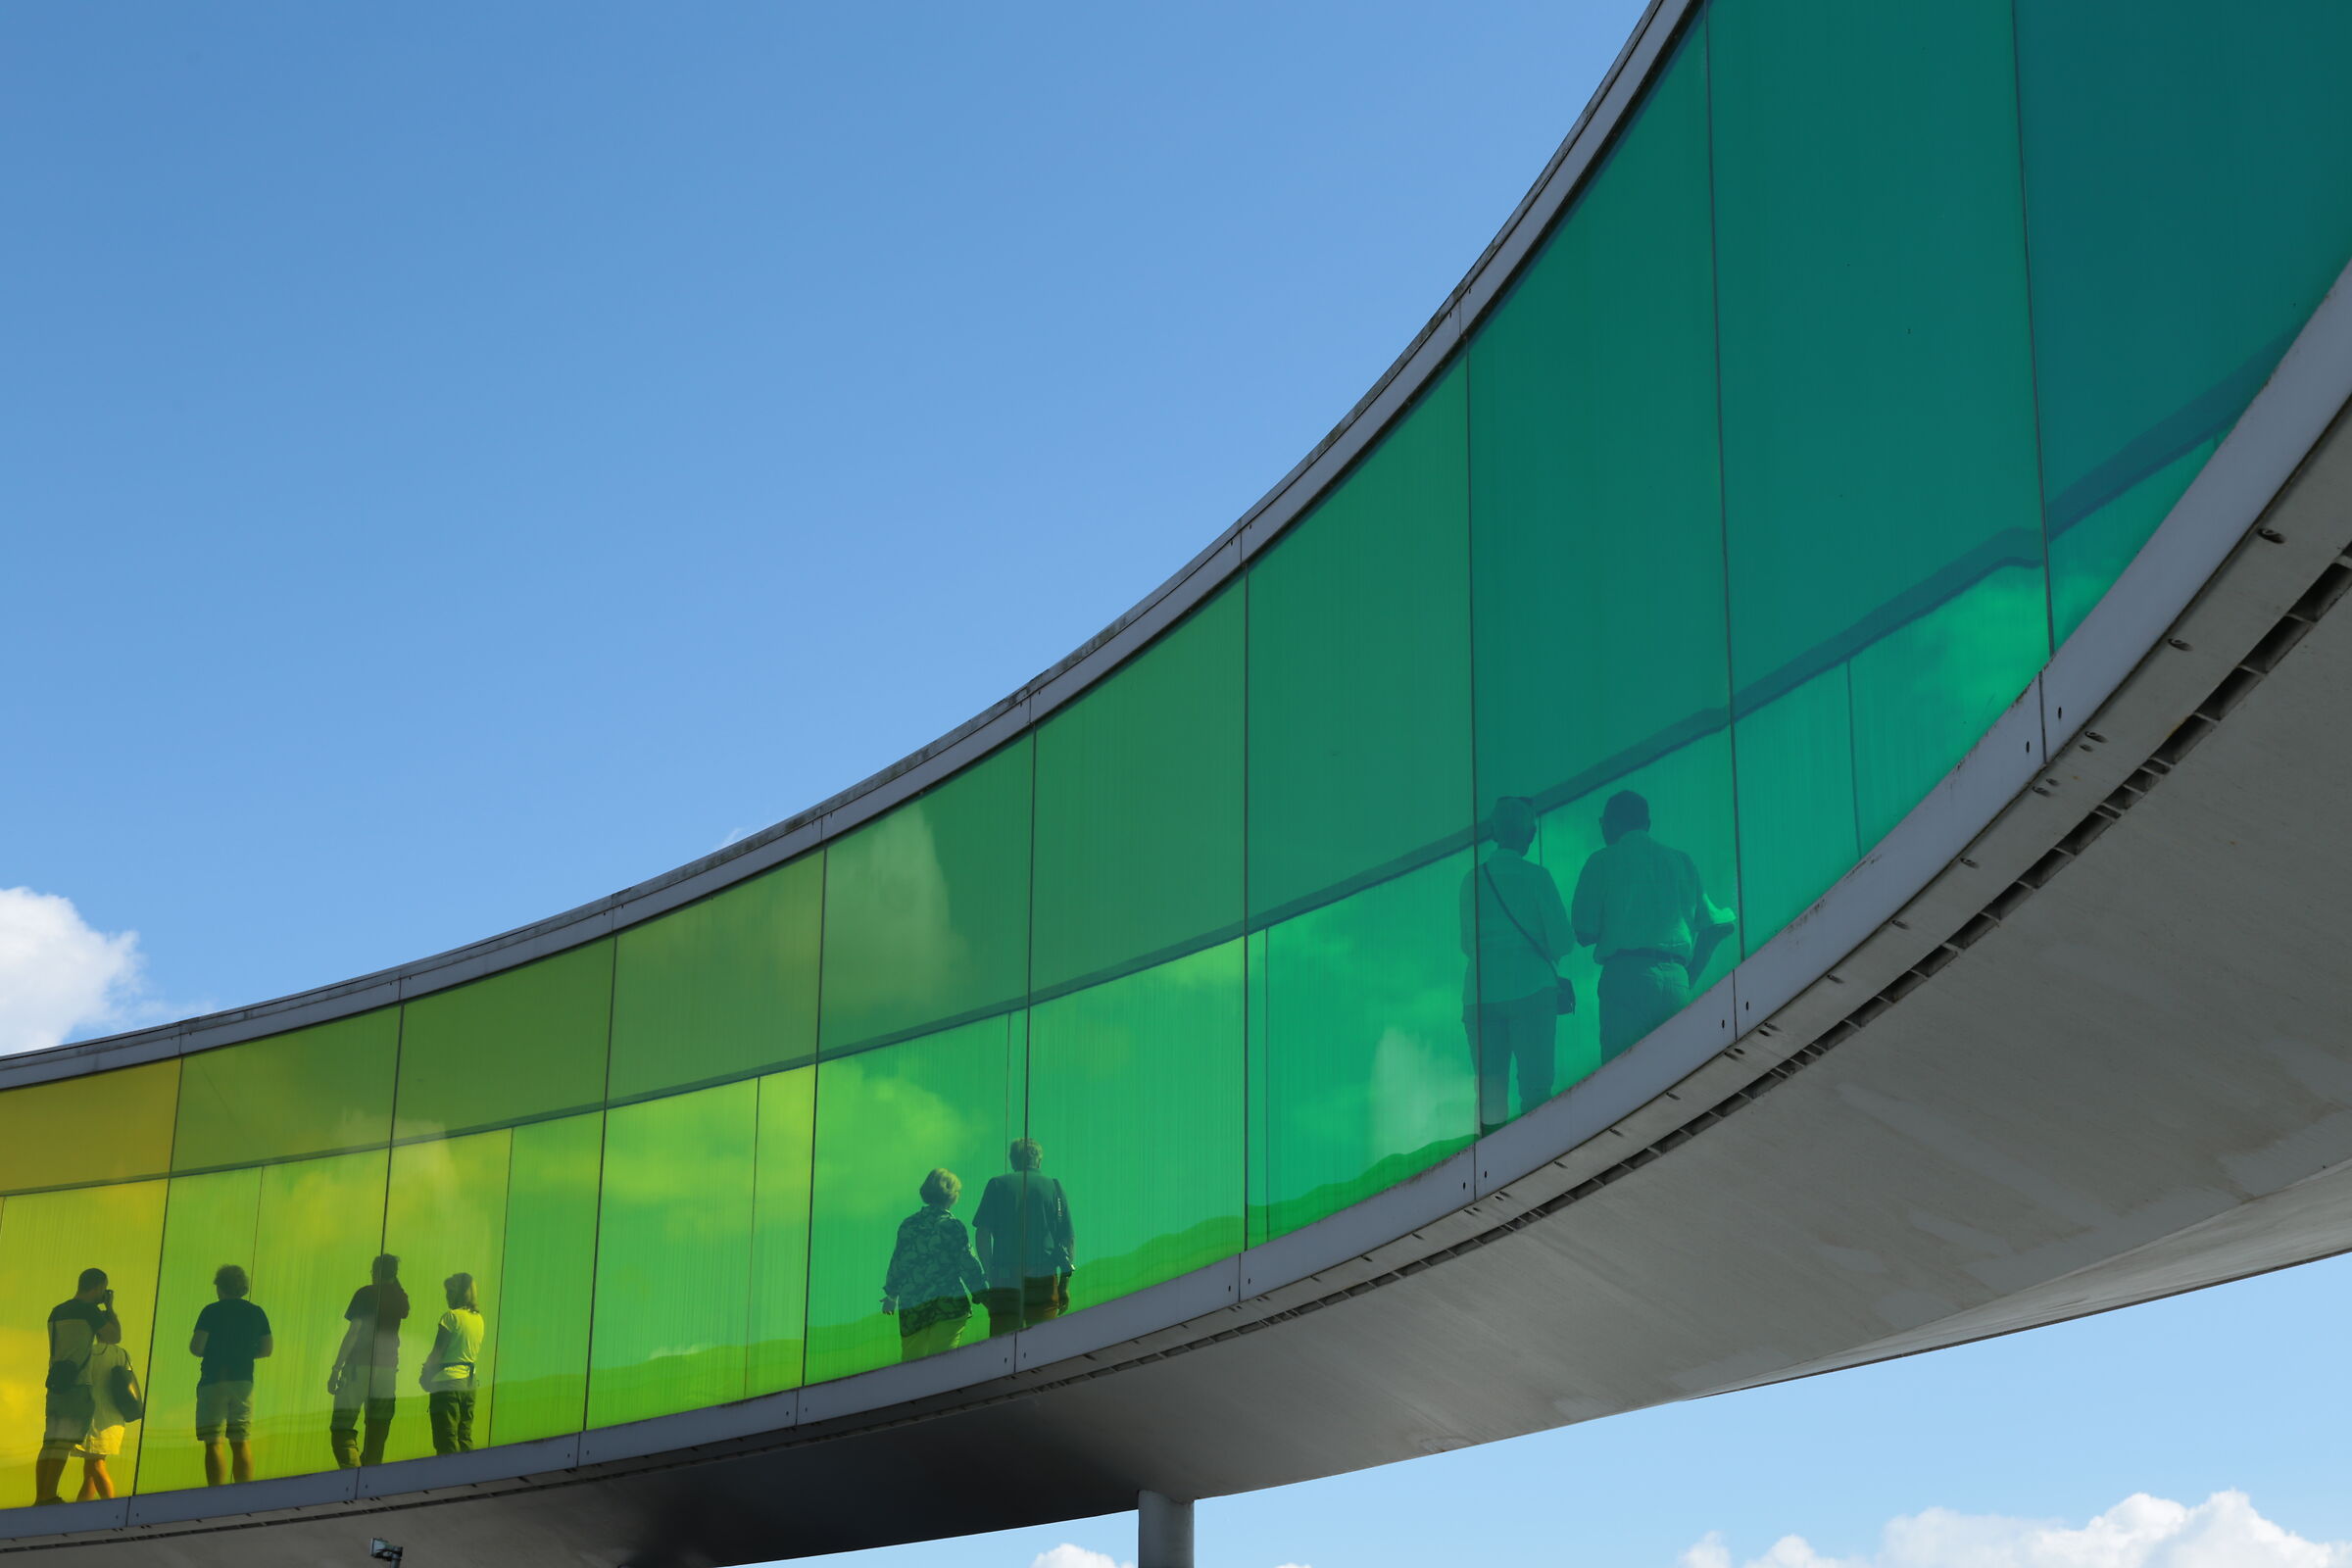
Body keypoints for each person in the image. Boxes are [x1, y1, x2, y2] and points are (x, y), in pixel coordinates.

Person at [1571, 790, 1737, 1059]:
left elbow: (1583, 932)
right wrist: (1687, 977)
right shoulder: (1681, 861)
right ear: (1647, 824)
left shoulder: (1602, 860)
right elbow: (1717, 926)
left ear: (1609, 823)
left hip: (1626, 976)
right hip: (1676, 979)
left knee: (1623, 1073)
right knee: (1677, 1072)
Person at [1460, 796, 1574, 1133]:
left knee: (1490, 1095)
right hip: (1532, 989)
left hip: (1481, 993)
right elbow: (1563, 941)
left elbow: (1467, 944)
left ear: (1494, 832)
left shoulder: (1472, 880)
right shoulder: (1537, 877)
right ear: (1530, 835)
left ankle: (1492, 1157)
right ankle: (1537, 1150)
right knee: (1536, 1090)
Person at [880, 1168, 987, 1362]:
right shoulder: (952, 1226)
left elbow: (899, 1262)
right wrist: (980, 1291)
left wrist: (891, 1295)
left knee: (912, 1366)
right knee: (942, 1364)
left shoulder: (908, 1225)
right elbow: (966, 1262)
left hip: (913, 1307)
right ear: (951, 1194)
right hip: (947, 1306)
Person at [972, 1140, 1076, 1337]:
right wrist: (1064, 1286)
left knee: (1003, 1342)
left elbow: (982, 1233)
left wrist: (989, 1271)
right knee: (1043, 1341)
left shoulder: (997, 1184)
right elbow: (1067, 1239)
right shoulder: (1055, 1187)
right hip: (1044, 1277)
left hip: (1005, 1278)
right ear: (1039, 1160)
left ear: (1012, 1160)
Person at [34, 1268, 114, 1505]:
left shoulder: (57, 1311)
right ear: (99, 1287)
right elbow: (112, 1337)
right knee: (63, 1442)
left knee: (50, 1443)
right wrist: (109, 1308)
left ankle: (41, 1495)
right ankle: (49, 1496)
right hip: (77, 1385)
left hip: (56, 1384)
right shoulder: (89, 1311)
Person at [189, 1263, 272, 1486]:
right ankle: (243, 1492)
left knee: (213, 1441)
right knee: (241, 1440)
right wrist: (244, 1353)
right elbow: (267, 1349)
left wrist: (216, 1351)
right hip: (243, 1381)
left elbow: (196, 1347)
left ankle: (216, 1493)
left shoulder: (210, 1311)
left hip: (213, 1380)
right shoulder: (256, 1312)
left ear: (220, 1287)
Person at [326, 1254, 409, 1467]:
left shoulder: (365, 1294)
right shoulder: (400, 1297)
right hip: (388, 1371)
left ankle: (353, 1473)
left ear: (376, 1272)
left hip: (358, 1367)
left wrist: (336, 1368)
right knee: (378, 1431)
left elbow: (354, 1332)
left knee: (342, 1427)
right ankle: (370, 1476)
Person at [72, 1315, 138, 1501]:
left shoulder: (88, 1353)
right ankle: (81, 1507)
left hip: (94, 1416)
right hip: (113, 1418)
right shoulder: (123, 1354)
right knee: (91, 1468)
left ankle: (111, 1505)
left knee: (96, 1465)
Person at [418, 1273, 485, 1455]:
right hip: (469, 1384)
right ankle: (468, 1470)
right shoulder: (478, 1319)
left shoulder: (451, 1317)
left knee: (446, 1439)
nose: (447, 1296)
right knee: (465, 1436)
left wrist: (425, 1375)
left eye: (451, 1292)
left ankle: (449, 1472)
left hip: (447, 1383)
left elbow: (437, 1352)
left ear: (460, 1293)